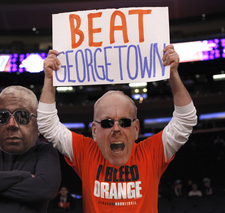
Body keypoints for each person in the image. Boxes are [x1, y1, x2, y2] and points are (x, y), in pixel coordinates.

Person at [37, 44, 197, 212]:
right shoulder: (85, 153)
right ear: (94, 131)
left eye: (125, 122)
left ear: (136, 128)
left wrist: (173, 74)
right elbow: (47, 123)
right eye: (107, 123)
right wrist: (49, 79)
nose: (116, 128)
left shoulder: (151, 153)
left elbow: (186, 120)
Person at [0, 85, 61, 213]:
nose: (11, 124)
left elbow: (45, 189)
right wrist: (23, 176)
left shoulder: (45, 151)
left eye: (21, 116)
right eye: (3, 116)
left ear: (38, 127)